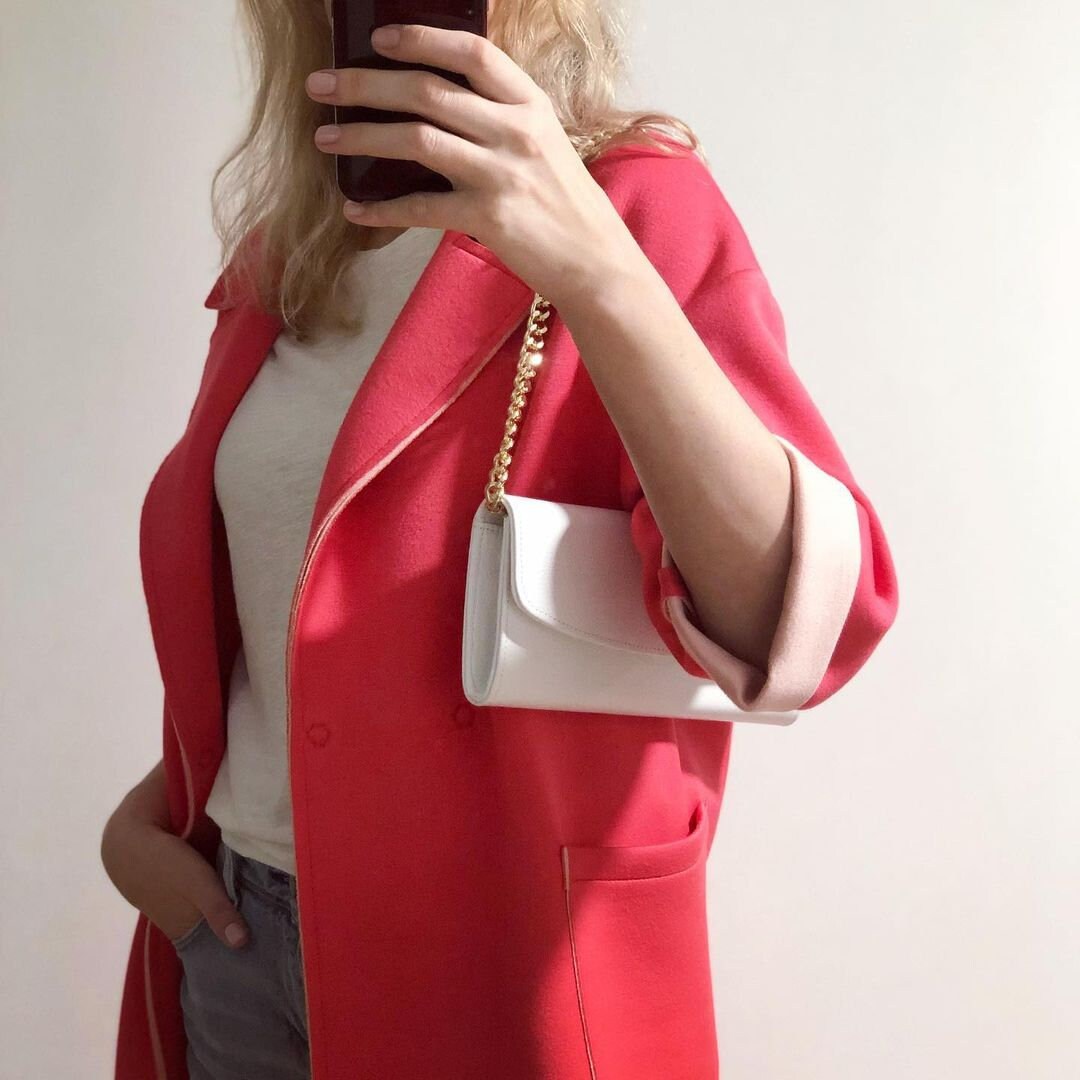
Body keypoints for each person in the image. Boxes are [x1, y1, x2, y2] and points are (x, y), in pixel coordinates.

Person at [101, 3, 899, 1078]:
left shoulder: (633, 205)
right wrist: (155, 820)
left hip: (508, 962)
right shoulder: (286, 261)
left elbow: (808, 630)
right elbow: (300, 604)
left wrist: (596, 268)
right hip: (238, 947)